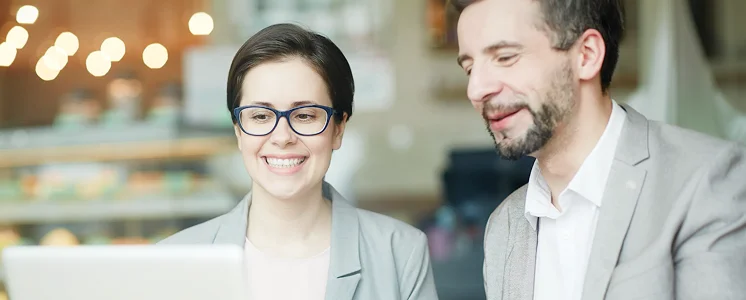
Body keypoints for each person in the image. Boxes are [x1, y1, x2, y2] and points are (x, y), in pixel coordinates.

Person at [452, 0, 746, 299]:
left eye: (505, 57)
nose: (476, 90)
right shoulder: (504, 225)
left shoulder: (704, 182)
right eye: (469, 68)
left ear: (586, 55)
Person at [158, 23, 438, 300]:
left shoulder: (400, 253)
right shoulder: (175, 259)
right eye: (260, 116)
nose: (282, 137)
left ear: (338, 128)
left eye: (304, 115)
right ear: (238, 131)